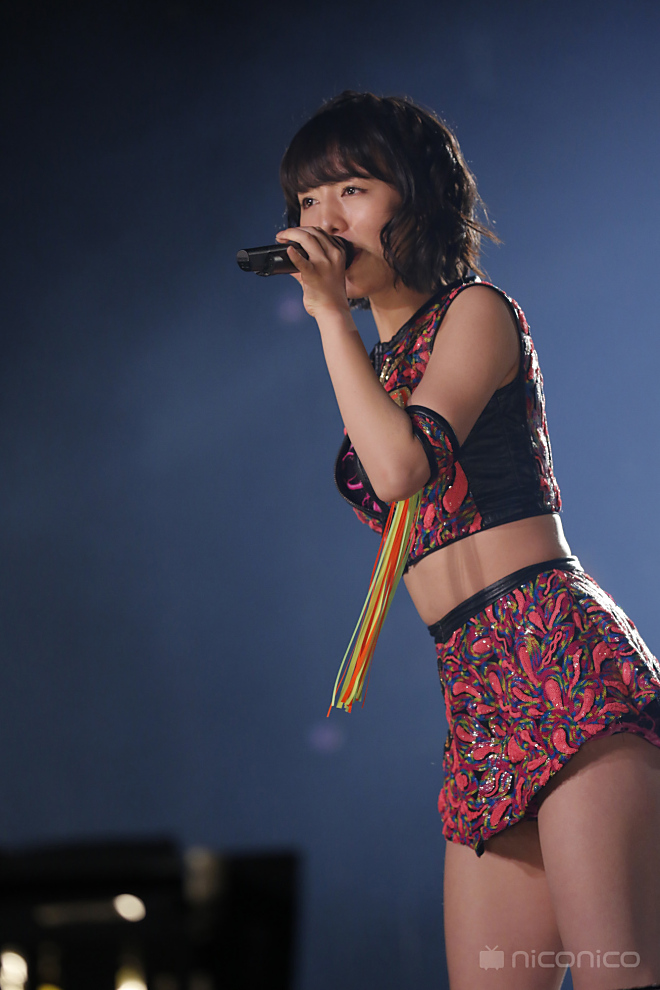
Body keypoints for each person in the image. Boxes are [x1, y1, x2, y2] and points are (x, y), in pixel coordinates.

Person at [275, 91, 660, 990]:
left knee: (617, 973)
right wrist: (340, 332)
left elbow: (401, 467)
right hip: (477, 697)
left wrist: (328, 315)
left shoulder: (476, 311)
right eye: (306, 200)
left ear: (416, 196)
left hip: (557, 660)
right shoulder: (374, 365)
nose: (324, 220)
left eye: (351, 191)